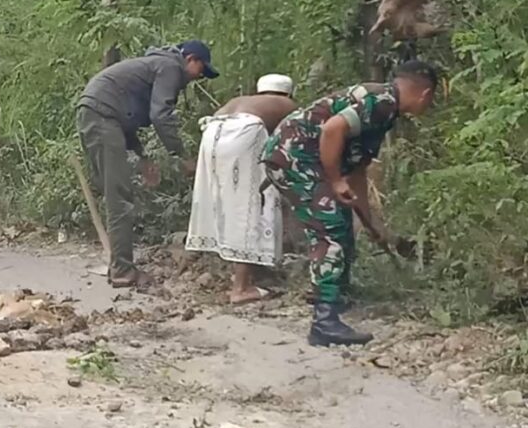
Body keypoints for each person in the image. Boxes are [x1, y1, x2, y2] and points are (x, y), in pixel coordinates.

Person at [262, 60, 439, 346]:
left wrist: (370, 224)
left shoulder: (385, 109)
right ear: (425, 94)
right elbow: (333, 129)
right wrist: (335, 180)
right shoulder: (382, 101)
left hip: (302, 158)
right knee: (329, 229)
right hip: (295, 156)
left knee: (341, 222)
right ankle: (324, 321)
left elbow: (356, 171)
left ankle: (336, 296)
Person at [76, 40, 219, 288]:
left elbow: (126, 116)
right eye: (201, 70)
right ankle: (122, 270)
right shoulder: (170, 67)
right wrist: (181, 156)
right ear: (190, 59)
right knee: (119, 196)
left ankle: (118, 265)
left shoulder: (155, 64)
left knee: (115, 191)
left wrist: (143, 157)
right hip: (102, 117)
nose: (200, 77)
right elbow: (160, 114)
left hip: (98, 114)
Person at [186, 74, 298, 303]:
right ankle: (241, 288)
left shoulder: (242, 101)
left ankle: (242, 272)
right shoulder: (287, 105)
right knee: (250, 206)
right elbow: (293, 146)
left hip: (212, 133)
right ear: (288, 92)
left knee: (227, 205)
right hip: (244, 133)